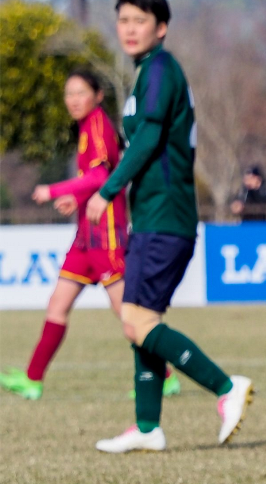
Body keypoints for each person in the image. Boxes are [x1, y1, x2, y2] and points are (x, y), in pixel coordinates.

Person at [84, 0, 253, 453]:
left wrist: (108, 190)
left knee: (137, 320)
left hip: (167, 217)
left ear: (162, 27)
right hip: (154, 216)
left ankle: (225, 387)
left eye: (140, 20)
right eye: (123, 19)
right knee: (141, 321)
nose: (129, 28)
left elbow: (150, 139)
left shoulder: (160, 69)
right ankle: (146, 427)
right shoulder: (147, 73)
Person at [0, 69, 178, 401]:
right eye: (69, 94)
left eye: (81, 92)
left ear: (97, 95)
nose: (73, 100)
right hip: (86, 237)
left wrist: (55, 189)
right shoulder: (86, 127)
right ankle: (32, 380)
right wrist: (76, 198)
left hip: (106, 237)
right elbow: (98, 180)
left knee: (128, 314)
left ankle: (165, 376)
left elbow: (100, 177)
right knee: (57, 305)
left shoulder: (97, 124)